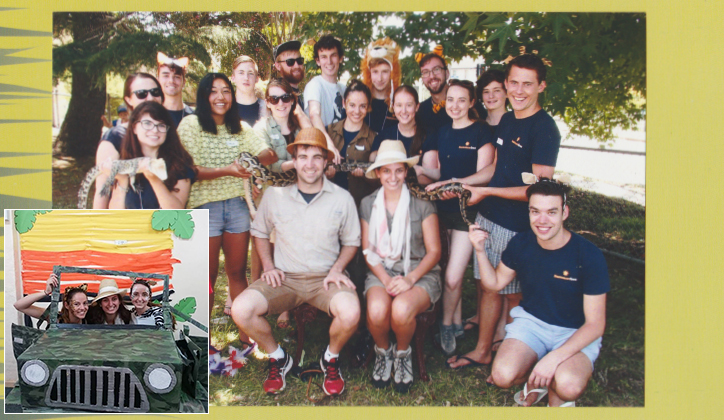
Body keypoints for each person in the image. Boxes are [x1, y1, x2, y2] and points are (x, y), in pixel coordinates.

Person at [446, 54, 561, 373]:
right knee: (486, 286)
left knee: (512, 295)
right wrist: (463, 184)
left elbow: (541, 190)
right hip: (489, 217)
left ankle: (510, 353)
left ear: (541, 86)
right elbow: (497, 167)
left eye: (528, 83)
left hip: (515, 226)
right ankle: (484, 348)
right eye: (514, 82)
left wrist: (487, 192)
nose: (519, 90)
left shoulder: (544, 129)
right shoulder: (508, 120)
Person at [232, 127, 361, 396]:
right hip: (285, 279)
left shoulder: (342, 198)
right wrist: (268, 266)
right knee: (241, 309)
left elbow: (352, 241)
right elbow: (259, 232)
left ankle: (331, 359)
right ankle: (278, 357)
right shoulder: (274, 195)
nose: (310, 164)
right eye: (303, 156)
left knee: (351, 312)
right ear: (295, 160)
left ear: (326, 162)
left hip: (325, 278)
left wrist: (338, 268)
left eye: (317, 157)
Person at [471, 179, 608, 407]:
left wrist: (555, 358)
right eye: (535, 211)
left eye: (551, 212)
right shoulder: (521, 243)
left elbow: (595, 325)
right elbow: (494, 284)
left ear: (564, 212)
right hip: (532, 324)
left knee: (568, 386)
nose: (542, 221)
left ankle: (551, 384)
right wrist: (479, 251)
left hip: (574, 332)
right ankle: (539, 380)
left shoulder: (589, 255)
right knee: (503, 376)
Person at [177, 73, 276, 349]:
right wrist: (229, 170)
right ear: (203, 96)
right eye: (213, 91)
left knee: (237, 273)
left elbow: (270, 154)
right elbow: (188, 170)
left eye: (225, 91)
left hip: (236, 206)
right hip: (202, 207)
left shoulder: (241, 127)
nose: (220, 97)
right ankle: (202, 341)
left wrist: (252, 165)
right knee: (206, 278)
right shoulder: (190, 125)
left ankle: (246, 337)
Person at [416, 79, 495, 357]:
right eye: (450, 99)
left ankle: (447, 326)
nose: (455, 105)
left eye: (462, 100)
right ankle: (458, 320)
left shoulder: (481, 131)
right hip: (439, 211)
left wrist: (454, 184)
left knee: (452, 277)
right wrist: (417, 170)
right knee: (448, 269)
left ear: (472, 102)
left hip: (465, 212)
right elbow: (434, 173)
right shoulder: (440, 132)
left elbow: (486, 173)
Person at [360, 140, 442, 393]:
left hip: (419, 273)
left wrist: (410, 279)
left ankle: (403, 354)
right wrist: (385, 280)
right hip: (382, 271)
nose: (392, 176)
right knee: (376, 310)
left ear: (406, 172)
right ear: (377, 173)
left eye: (398, 170)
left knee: (401, 309)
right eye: (386, 170)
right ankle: (383, 352)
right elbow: (368, 251)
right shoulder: (367, 203)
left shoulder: (423, 204)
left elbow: (435, 251)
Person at [461, 68, 509, 334]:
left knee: (500, 269)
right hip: (477, 199)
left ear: (506, 93)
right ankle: (481, 315)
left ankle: (501, 326)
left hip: (498, 198)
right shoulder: (479, 124)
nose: (491, 97)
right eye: (486, 92)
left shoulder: (510, 123)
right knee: (481, 264)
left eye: (496, 91)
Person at [94, 73, 165, 208]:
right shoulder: (114, 138)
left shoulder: (167, 135)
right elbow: (102, 192)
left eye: (155, 92)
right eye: (141, 93)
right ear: (128, 99)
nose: (150, 97)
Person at [107, 101, 195, 209]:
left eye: (161, 125)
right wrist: (122, 181)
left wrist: (154, 179)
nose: (154, 130)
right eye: (147, 123)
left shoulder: (180, 164)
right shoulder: (125, 164)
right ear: (134, 127)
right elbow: (116, 217)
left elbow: (175, 214)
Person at [326, 79, 378, 208]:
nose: (357, 111)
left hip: (359, 207)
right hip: (330, 205)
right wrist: (327, 174)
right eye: (352, 105)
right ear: (344, 103)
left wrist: (365, 176)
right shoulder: (328, 132)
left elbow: (378, 179)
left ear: (368, 107)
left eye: (362, 106)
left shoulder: (374, 137)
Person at [303, 34, 345, 162]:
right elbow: (314, 115)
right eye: (324, 57)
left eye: (333, 55)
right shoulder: (315, 85)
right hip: (322, 150)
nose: (329, 61)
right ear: (317, 61)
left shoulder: (344, 89)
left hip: (341, 151)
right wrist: (329, 145)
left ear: (340, 58)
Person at [370, 85, 426, 163]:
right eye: (399, 105)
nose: (403, 111)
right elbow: (373, 166)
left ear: (417, 107)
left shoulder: (427, 136)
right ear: (393, 107)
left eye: (409, 105)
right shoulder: (383, 136)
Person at [14, 273, 89, 325]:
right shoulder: (55, 318)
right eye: (76, 304)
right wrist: (46, 292)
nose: (82, 308)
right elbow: (19, 305)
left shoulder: (90, 320)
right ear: (66, 305)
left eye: (85, 303)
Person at [360, 38, 401, 134]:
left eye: (385, 72)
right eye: (375, 72)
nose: (379, 78)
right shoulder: (359, 101)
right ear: (369, 73)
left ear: (393, 73)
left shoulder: (399, 103)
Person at [415, 49, 451, 133]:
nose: (432, 76)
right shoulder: (421, 112)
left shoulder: (465, 105)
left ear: (447, 73)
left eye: (436, 69)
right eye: (425, 72)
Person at [157, 52, 194, 127]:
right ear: (158, 80)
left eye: (177, 76)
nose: (171, 80)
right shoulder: (153, 114)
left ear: (184, 82)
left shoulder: (194, 117)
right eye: (166, 76)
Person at [231, 55, 268, 127]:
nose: (246, 78)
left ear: (257, 79)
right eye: (241, 73)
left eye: (250, 73)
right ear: (233, 77)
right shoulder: (226, 109)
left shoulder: (267, 109)